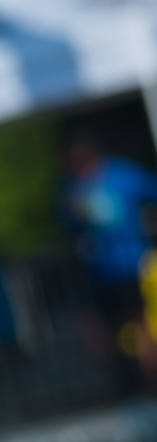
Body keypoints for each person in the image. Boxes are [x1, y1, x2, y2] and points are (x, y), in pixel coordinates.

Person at [61, 140, 157, 384]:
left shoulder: (122, 173)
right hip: (99, 271)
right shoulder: (73, 187)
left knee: (141, 322)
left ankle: (149, 376)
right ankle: (124, 377)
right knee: (97, 325)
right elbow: (71, 226)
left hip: (132, 264)